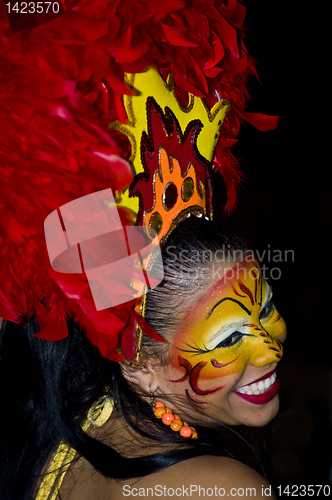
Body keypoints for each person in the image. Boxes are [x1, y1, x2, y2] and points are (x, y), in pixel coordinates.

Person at [0, 1, 283, 499]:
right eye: (228, 338)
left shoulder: (65, 447)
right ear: (140, 366)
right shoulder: (224, 490)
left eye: (266, 310)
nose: (271, 347)